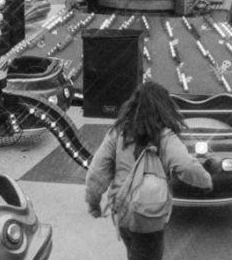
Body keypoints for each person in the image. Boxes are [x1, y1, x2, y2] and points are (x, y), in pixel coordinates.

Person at [85, 81, 212, 260]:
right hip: (149, 215)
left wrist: (93, 203)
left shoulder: (119, 132)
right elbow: (186, 165)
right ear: (164, 107)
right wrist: (205, 181)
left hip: (122, 212)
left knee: (134, 252)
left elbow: (97, 172)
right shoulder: (164, 136)